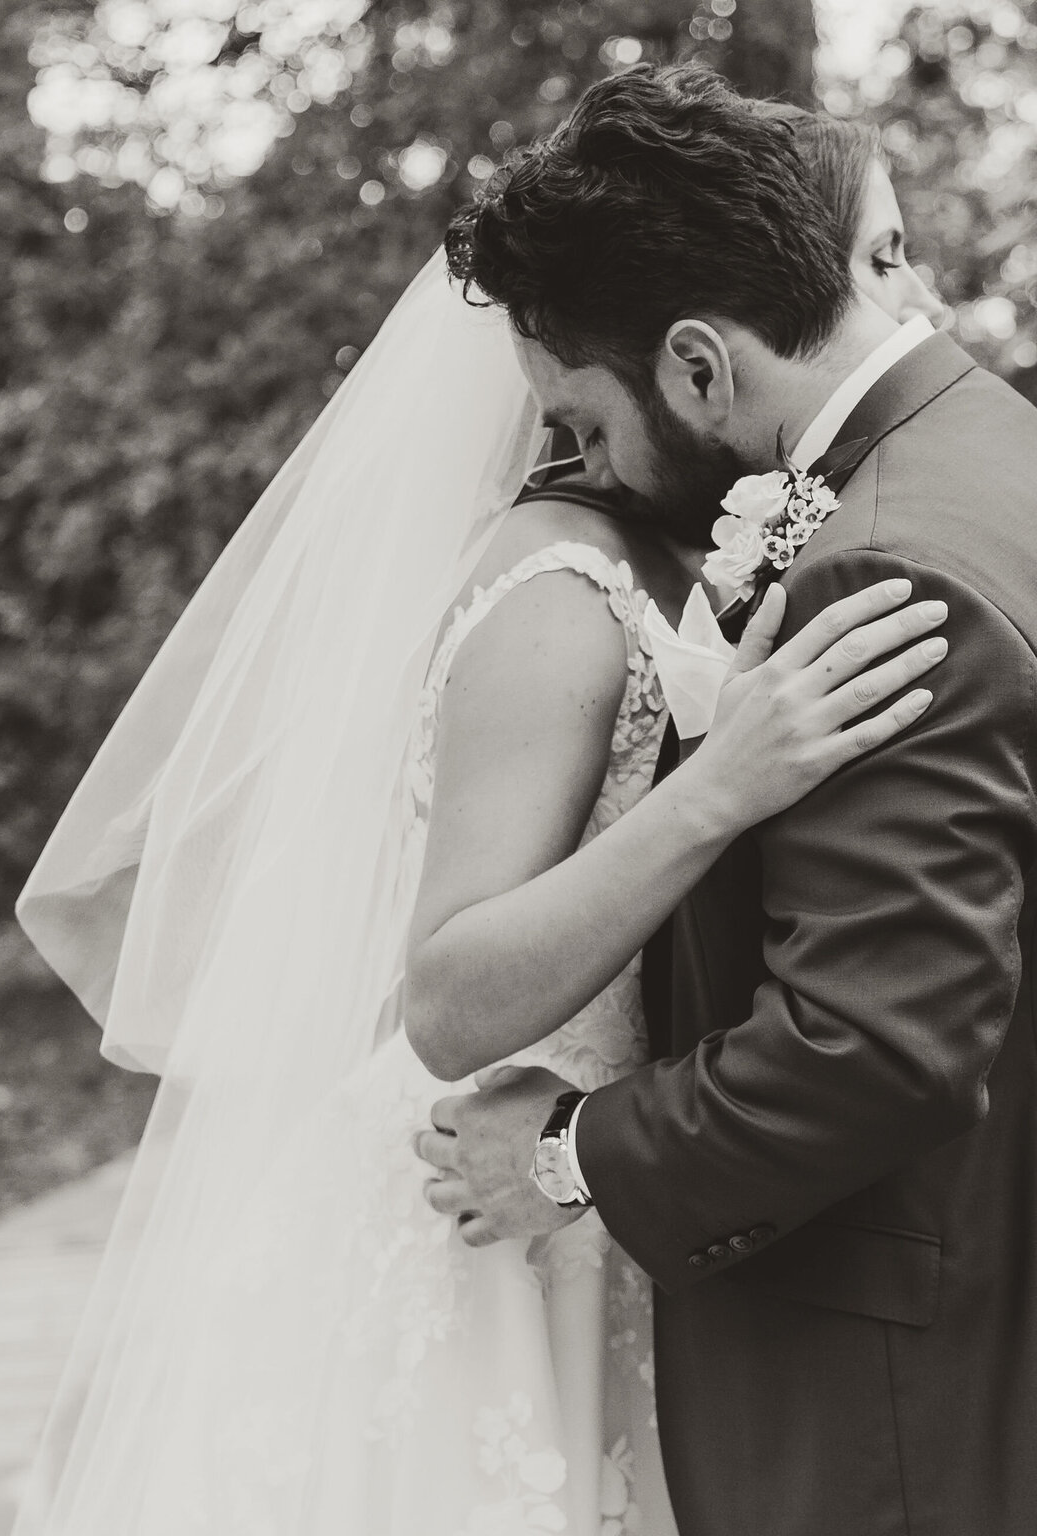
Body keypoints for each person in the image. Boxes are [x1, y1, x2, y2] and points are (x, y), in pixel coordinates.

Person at [11, 93, 943, 1536]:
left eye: (585, 414)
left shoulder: (695, 547)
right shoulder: (558, 602)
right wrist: (724, 787)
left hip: (596, 1200)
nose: (585, 450)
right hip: (482, 1227)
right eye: (561, 423)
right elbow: (447, 993)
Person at [421, 62, 1037, 1536]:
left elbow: (872, 1049)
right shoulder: (991, 452)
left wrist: (568, 1152)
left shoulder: (882, 568)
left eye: (583, 420)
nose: (586, 467)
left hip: (890, 1377)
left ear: (698, 366)